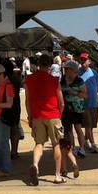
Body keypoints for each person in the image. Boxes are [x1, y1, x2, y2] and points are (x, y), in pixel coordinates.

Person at [24, 54, 66, 185]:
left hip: (37, 115)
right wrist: (60, 115)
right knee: (56, 144)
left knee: (39, 144)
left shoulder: (29, 80)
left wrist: (30, 116)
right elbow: (61, 102)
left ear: (38, 64)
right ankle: (58, 175)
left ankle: (35, 165)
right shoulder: (54, 80)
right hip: (53, 114)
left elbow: (27, 100)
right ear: (49, 65)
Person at [59, 61, 86, 179]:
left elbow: (85, 95)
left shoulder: (79, 81)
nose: (65, 70)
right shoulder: (63, 79)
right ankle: (72, 148)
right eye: (65, 69)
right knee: (68, 131)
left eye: (68, 69)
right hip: (66, 109)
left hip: (77, 108)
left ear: (73, 70)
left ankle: (82, 148)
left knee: (78, 128)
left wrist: (73, 92)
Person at [78, 52, 98, 153]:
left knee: (91, 125)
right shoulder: (77, 73)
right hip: (83, 104)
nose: (82, 62)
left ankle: (86, 141)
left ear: (89, 62)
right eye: (81, 60)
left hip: (94, 103)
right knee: (88, 125)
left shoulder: (94, 73)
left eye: (84, 60)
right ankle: (93, 144)